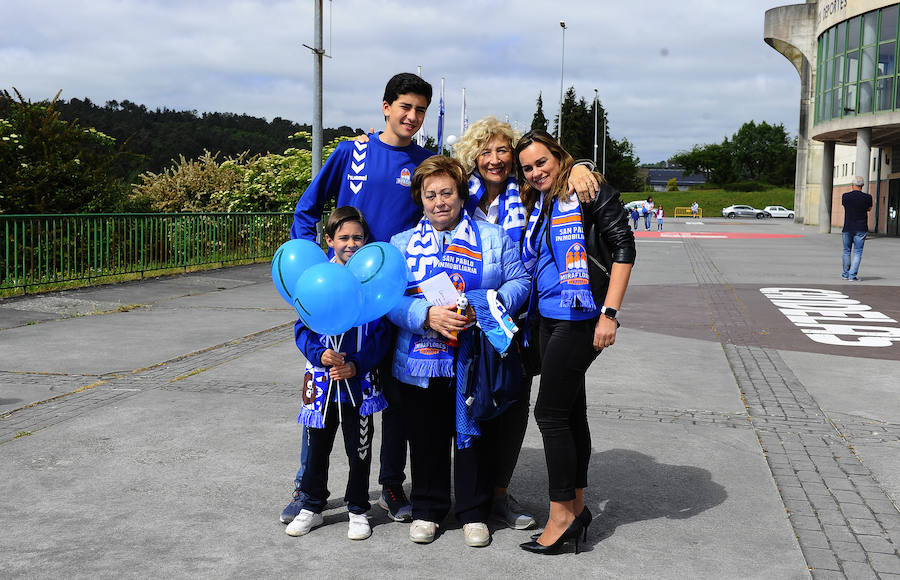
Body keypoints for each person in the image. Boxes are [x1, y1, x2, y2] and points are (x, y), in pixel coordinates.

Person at [284, 72, 434, 526]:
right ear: (386, 107)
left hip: (395, 298)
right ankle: (307, 487)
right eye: (405, 106)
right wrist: (314, 274)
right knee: (326, 387)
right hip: (342, 296)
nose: (412, 116)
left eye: (420, 110)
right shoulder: (354, 151)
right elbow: (308, 208)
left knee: (390, 397)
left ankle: (390, 483)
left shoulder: (425, 162)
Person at [450, 116, 599, 531]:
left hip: (519, 317)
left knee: (513, 409)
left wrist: (581, 165)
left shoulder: (528, 193)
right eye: (485, 151)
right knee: (468, 405)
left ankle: (500, 494)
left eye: (502, 150)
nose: (494, 159)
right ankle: (468, 497)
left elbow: (559, 173)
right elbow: (430, 185)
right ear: (473, 157)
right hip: (464, 319)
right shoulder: (462, 195)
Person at [387, 155, 529, 547]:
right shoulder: (401, 244)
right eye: (430, 195)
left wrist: (487, 304)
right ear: (420, 200)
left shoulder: (493, 237)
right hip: (421, 360)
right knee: (426, 436)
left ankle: (474, 512)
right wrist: (425, 315)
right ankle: (427, 509)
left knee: (477, 435)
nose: (439, 202)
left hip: (476, 357)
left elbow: (520, 280)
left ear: (461, 195)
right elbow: (388, 299)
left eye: (447, 192)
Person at [514, 130, 635, 555]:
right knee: (570, 412)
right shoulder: (542, 201)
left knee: (548, 415)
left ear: (558, 156)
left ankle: (561, 513)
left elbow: (623, 249)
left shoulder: (586, 190)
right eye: (527, 168)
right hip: (547, 317)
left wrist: (609, 314)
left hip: (581, 318)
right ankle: (578, 506)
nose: (535, 172)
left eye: (542, 162)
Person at [285, 207, 391, 540]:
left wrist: (356, 364)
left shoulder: (372, 279)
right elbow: (302, 328)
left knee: (359, 450)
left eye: (357, 237)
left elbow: (382, 334)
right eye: (343, 237)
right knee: (316, 449)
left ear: (366, 240)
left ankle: (358, 508)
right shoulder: (316, 277)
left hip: (357, 385)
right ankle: (311, 505)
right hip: (322, 384)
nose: (351, 243)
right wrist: (319, 354)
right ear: (329, 240)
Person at [841, 175, 873, 281]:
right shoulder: (868, 197)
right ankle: (852, 275)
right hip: (861, 227)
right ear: (862, 185)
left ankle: (845, 274)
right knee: (858, 252)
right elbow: (869, 209)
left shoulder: (845, 196)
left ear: (852, 184)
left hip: (847, 227)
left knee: (846, 251)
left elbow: (845, 206)